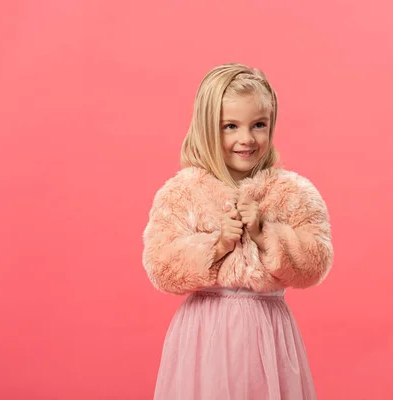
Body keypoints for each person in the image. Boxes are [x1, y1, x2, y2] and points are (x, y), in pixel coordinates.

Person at [142, 62, 333, 400]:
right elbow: (161, 265)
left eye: (258, 125)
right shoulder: (183, 192)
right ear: (207, 128)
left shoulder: (292, 192)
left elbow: (314, 262)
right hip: (205, 334)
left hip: (268, 333)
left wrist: (265, 235)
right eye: (230, 126)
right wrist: (215, 246)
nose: (246, 139)